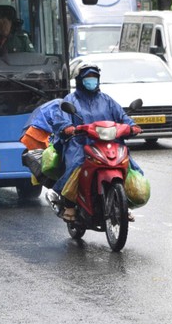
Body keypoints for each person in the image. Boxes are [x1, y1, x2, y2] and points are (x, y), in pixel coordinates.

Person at [55, 62, 140, 222]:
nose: (91, 80)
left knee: (130, 166)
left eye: (94, 77)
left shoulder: (107, 100)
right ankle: (69, 205)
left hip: (110, 143)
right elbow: (62, 119)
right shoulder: (71, 99)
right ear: (80, 80)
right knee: (76, 166)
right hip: (81, 143)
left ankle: (124, 203)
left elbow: (122, 116)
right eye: (88, 77)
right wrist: (68, 127)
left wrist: (132, 126)